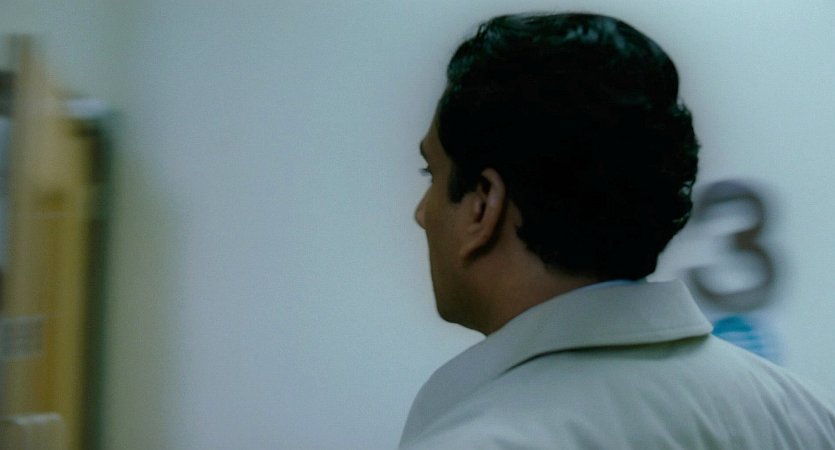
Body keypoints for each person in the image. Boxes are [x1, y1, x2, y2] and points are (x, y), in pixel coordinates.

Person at [402, 12, 835, 449]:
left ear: (483, 205)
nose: (422, 213)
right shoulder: (811, 418)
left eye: (431, 174)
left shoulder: (476, 438)